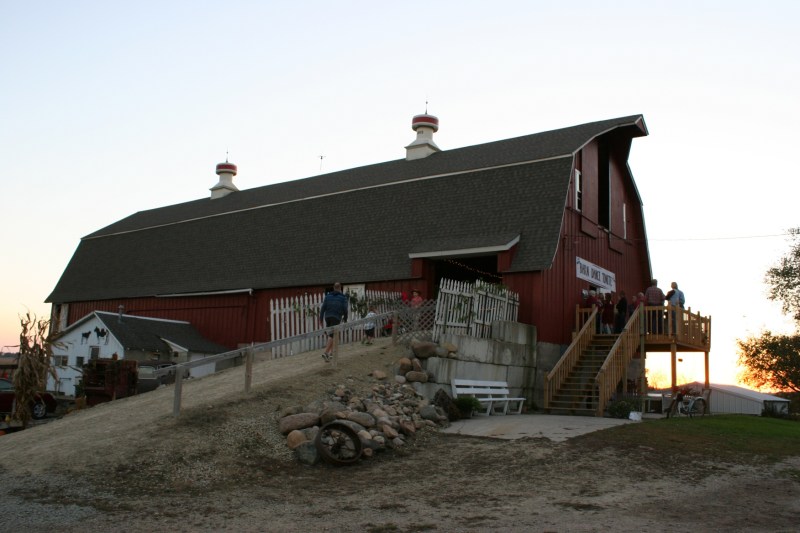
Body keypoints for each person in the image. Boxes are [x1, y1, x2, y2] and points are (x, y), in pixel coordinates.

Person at [319, 282, 348, 362]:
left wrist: (320, 319)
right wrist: (345, 319)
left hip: (327, 317)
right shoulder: (343, 297)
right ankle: (326, 353)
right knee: (332, 335)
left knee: (332, 335)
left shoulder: (328, 296)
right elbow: (345, 309)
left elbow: (323, 308)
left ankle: (331, 354)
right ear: (340, 288)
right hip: (336, 317)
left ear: (334, 288)